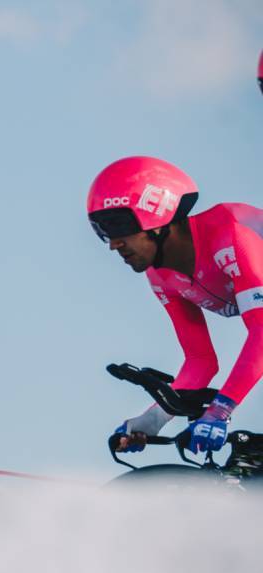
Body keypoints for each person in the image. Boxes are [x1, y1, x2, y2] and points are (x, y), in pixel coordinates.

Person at [87, 157, 263, 454]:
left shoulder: (230, 235)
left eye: (118, 225)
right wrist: (150, 422)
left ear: (158, 214)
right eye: (102, 230)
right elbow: (200, 362)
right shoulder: (161, 276)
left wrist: (220, 411)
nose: (112, 244)